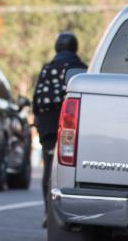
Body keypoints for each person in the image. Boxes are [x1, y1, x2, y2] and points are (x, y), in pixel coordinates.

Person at [33, 32, 87, 227]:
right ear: (75, 48)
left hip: (48, 123)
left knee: (49, 166)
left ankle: (48, 212)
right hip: (73, 122)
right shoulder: (81, 69)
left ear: (57, 47)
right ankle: (71, 213)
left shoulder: (48, 68)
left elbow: (36, 100)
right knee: (71, 167)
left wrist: (38, 121)